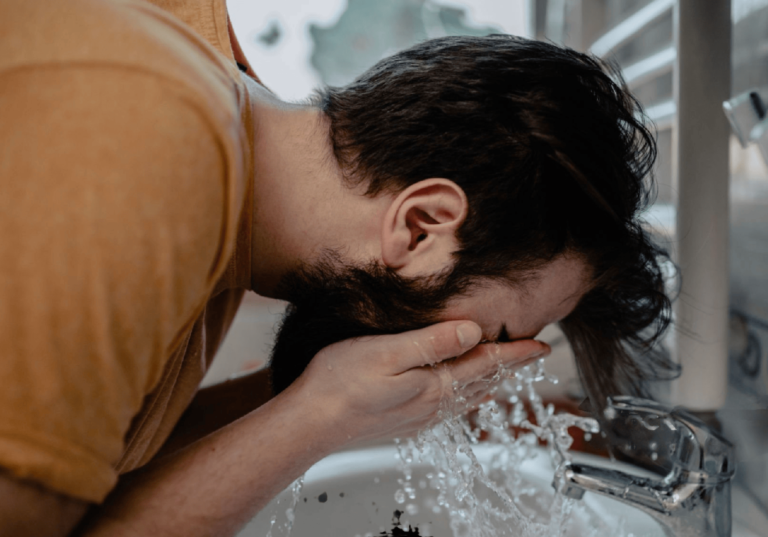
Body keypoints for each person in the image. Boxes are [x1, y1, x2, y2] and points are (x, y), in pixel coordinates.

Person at [0, 0, 675, 535]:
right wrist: (318, 416)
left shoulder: (219, 175)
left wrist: (306, 398)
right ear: (422, 224)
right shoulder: (148, 140)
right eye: (494, 334)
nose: (479, 364)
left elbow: (91, 465)